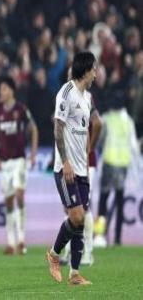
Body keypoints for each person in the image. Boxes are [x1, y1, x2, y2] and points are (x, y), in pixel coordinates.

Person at [46, 51, 97, 286]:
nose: (96, 74)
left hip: (82, 169)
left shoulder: (87, 98)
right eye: (94, 69)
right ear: (85, 70)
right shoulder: (66, 92)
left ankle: (74, 274)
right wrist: (65, 161)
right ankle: (54, 254)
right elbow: (58, 128)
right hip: (65, 168)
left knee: (81, 221)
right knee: (76, 216)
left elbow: (85, 132)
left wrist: (85, 161)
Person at [0, 76, 38, 255]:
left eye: (3, 89)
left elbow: (34, 129)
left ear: (11, 91)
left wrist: (33, 154)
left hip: (19, 161)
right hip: (5, 163)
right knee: (8, 201)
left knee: (19, 195)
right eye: (0, 89)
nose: (1, 92)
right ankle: (10, 242)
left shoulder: (21, 110)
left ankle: (22, 240)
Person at [60, 76, 102, 266]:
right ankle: (70, 251)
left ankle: (88, 252)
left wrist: (89, 150)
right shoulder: (67, 99)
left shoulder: (87, 98)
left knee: (83, 207)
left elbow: (97, 123)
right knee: (71, 207)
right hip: (72, 162)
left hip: (85, 162)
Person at [94, 91, 139, 246]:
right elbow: (133, 146)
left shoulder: (106, 119)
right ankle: (118, 238)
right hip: (122, 165)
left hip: (109, 162)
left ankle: (100, 235)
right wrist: (137, 169)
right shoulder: (129, 122)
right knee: (120, 202)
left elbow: (99, 141)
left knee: (103, 201)